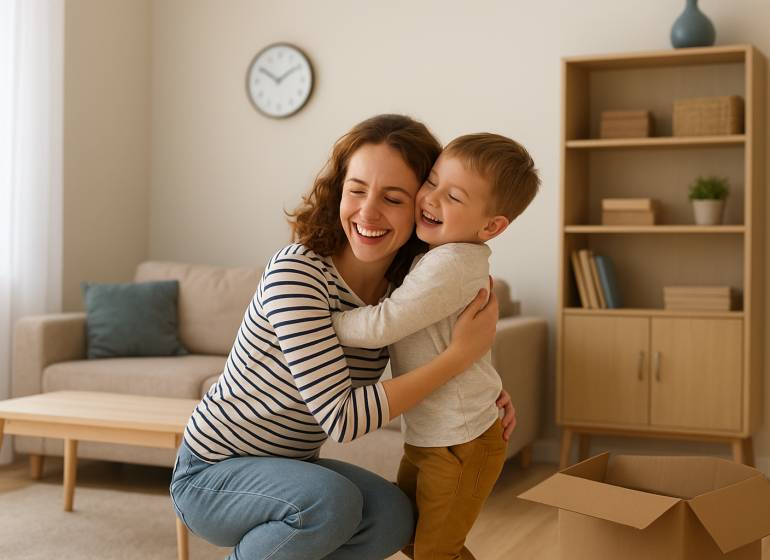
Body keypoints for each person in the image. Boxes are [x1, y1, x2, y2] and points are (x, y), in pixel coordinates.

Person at [169, 115, 516, 560]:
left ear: (422, 206)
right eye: (356, 190)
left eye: (393, 198)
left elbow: (438, 345)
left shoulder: (402, 290)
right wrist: (457, 357)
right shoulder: (297, 272)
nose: (368, 212)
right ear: (339, 192)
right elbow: (343, 420)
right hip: (211, 474)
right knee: (330, 502)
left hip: (290, 469)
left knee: (394, 515)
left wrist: (485, 390)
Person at [331, 132, 540, 560]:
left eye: (454, 196)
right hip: (436, 436)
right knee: (414, 538)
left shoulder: (451, 263)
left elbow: (382, 324)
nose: (430, 198)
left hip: (460, 443)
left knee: (433, 550)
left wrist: (313, 320)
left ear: (491, 226)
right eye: (432, 181)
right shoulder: (439, 254)